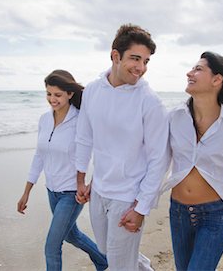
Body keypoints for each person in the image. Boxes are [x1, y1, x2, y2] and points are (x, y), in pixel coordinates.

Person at [74, 24, 169, 271]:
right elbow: (84, 136)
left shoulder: (150, 102)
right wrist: (81, 180)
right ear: (115, 56)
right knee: (110, 252)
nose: (141, 68)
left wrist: (141, 207)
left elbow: (159, 159)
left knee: (118, 264)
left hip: (128, 195)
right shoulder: (93, 90)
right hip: (99, 189)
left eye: (146, 61)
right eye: (135, 58)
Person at [163, 51, 223, 270]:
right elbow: (156, 162)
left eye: (198, 69)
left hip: (216, 216)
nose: (189, 72)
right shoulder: (173, 117)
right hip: (178, 213)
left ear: (217, 79)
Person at [17, 70, 108, 271]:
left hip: (71, 193)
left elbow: (98, 154)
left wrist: (87, 185)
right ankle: (103, 260)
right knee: (71, 235)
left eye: (57, 94)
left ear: (70, 94)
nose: (52, 99)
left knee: (51, 246)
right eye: (49, 94)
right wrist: (26, 192)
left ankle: (103, 260)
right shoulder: (44, 119)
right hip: (52, 190)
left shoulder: (81, 121)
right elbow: (39, 156)